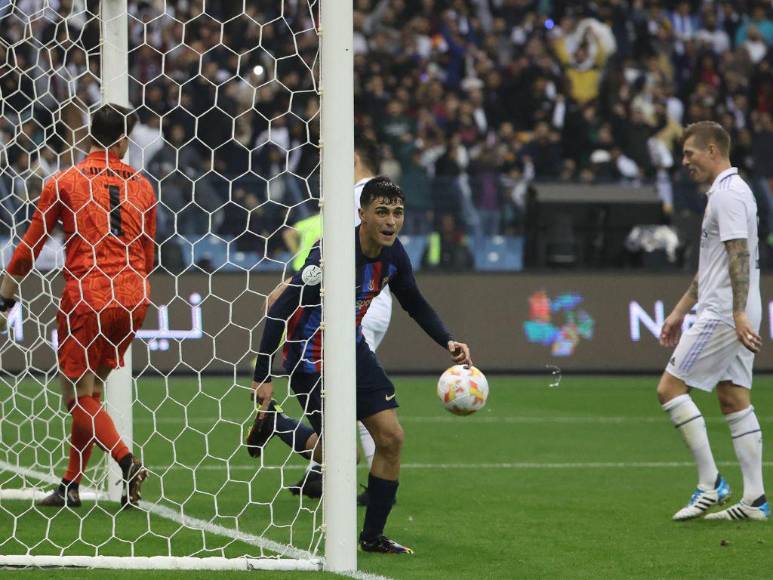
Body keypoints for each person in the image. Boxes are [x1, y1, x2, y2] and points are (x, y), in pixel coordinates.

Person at [249, 177, 472, 553]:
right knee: (343, 455)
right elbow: (279, 309)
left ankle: (372, 538)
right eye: (382, 212)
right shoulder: (331, 254)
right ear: (362, 214)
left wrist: (447, 339)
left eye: (397, 213)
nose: (391, 221)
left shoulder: (394, 255)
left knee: (391, 438)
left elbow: (413, 302)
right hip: (310, 359)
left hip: (353, 351)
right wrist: (263, 376)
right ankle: (277, 424)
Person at [0, 104, 157, 508]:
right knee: (94, 392)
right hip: (134, 294)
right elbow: (149, 250)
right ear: (122, 141)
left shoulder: (64, 181)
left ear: (91, 135)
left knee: (74, 394)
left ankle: (126, 460)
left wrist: (7, 290)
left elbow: (31, 244)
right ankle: (70, 485)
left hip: (88, 296)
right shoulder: (143, 185)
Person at [657, 121, 768, 521]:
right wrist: (679, 309)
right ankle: (755, 499)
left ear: (712, 151)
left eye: (689, 153)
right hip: (731, 305)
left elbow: (738, 253)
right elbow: (714, 265)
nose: (684, 161)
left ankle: (710, 483)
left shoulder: (729, 195)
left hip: (724, 310)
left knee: (670, 388)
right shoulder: (727, 193)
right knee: (733, 397)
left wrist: (737, 312)